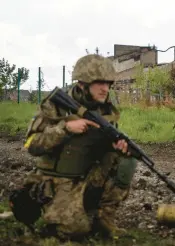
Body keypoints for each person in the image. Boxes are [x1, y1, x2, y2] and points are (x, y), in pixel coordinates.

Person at [18, 54, 138, 240]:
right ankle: (42, 213)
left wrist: (117, 147)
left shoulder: (104, 110)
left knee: (125, 160)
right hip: (55, 180)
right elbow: (32, 144)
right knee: (76, 231)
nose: (105, 88)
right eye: (100, 83)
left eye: (108, 83)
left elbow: (105, 149)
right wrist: (65, 128)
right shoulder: (54, 106)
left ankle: (103, 219)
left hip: (84, 176)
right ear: (82, 84)